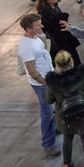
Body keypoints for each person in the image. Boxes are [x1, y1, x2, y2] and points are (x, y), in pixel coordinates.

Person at [45, 50, 84, 167]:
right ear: (71, 61)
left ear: (56, 64)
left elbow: (49, 100)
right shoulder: (83, 75)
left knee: (67, 139)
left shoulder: (53, 83)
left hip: (65, 117)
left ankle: (67, 166)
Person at [15, 13, 58, 157]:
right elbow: (32, 71)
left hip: (48, 78)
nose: (42, 26)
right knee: (47, 113)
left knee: (52, 109)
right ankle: (48, 144)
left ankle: (55, 129)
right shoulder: (27, 47)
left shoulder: (35, 37)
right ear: (29, 28)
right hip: (42, 85)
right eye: (38, 25)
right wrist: (47, 83)